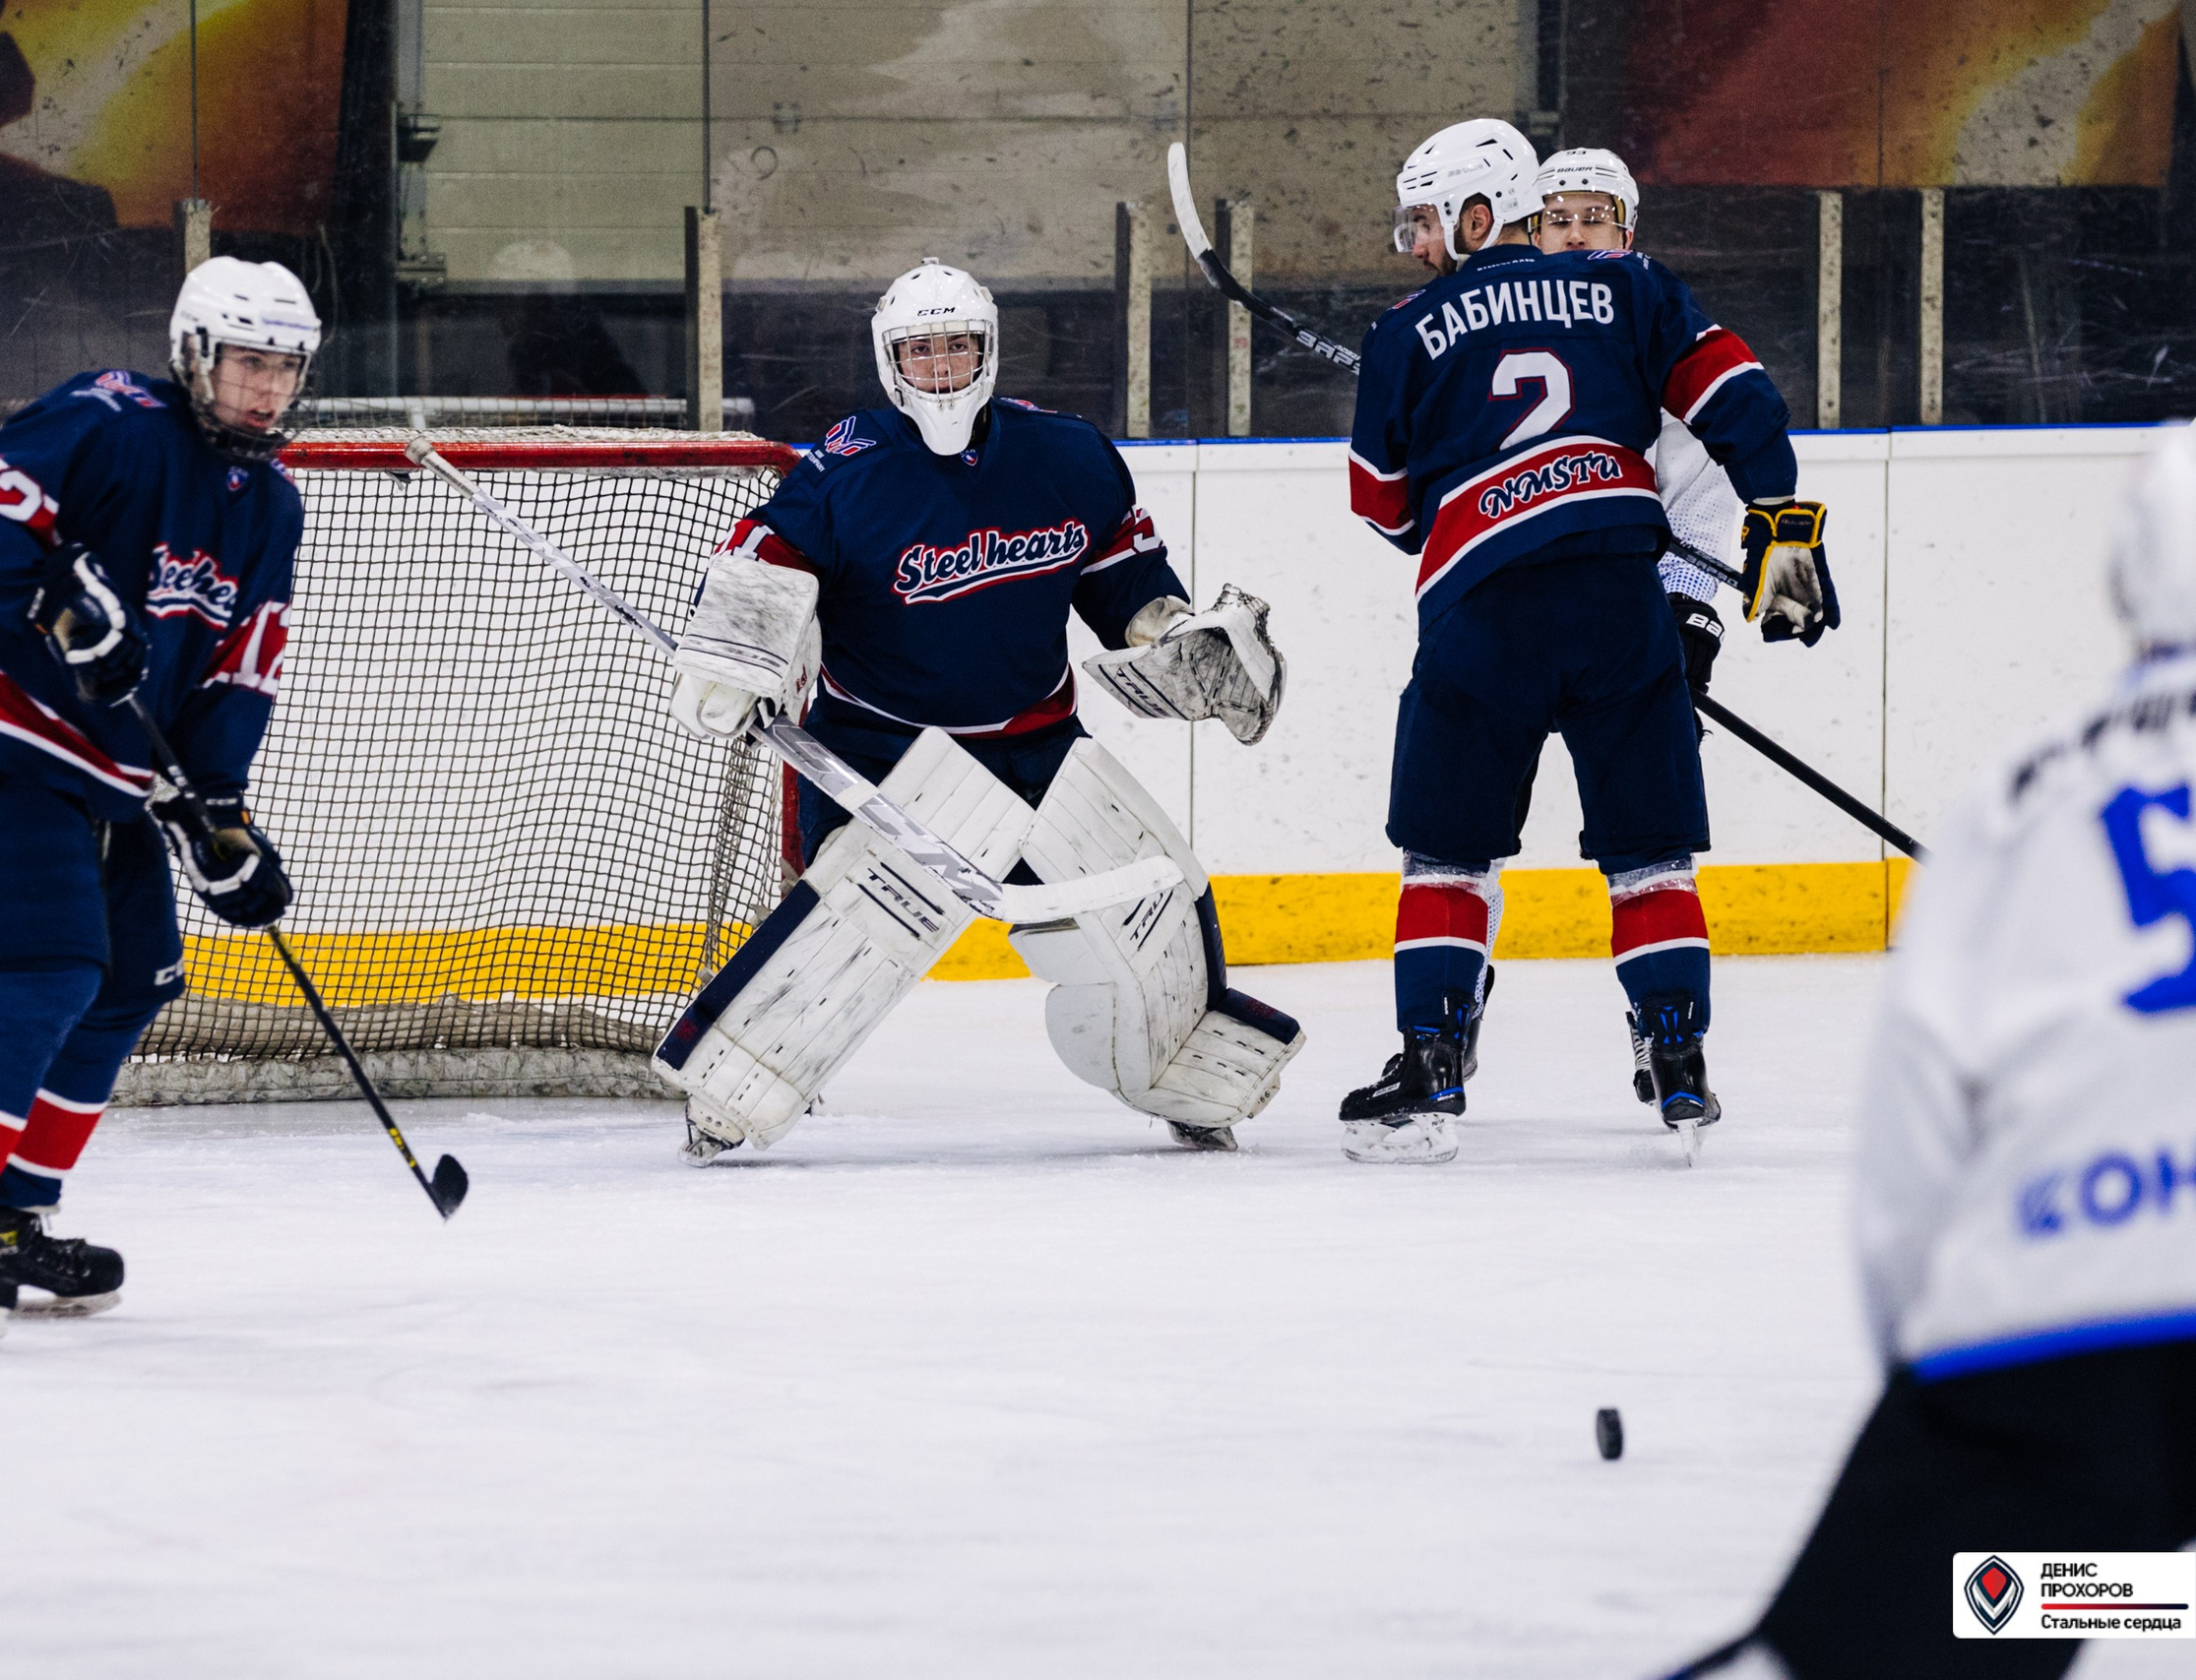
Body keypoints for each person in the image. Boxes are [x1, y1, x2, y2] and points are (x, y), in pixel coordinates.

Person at [1667, 423, 2196, 1678]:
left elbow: (1915, 1142)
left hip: (2054, 1335)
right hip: (2069, 1338)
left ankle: (2103, 1602)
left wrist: (1938, 1402)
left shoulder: (2021, 798)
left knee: (1961, 1614)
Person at [654, 259, 1303, 1161]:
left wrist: (1177, 632)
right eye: (921, 352)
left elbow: (1125, 580)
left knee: (1157, 901)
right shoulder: (851, 464)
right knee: (847, 939)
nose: (942, 369)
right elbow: (769, 556)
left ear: (989, 351)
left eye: (958, 347)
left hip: (1039, 744)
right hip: (880, 750)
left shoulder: (1067, 453)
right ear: (891, 362)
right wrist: (739, 648)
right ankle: (731, 1092)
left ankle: (1180, 1066)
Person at [1341, 118, 1837, 1165]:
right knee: (1649, 854)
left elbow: (1381, 508)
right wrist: (1782, 528)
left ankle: (1431, 1057)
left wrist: (1461, 468)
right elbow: (1737, 400)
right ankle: (1678, 1052)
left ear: (1479, 215)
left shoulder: (1403, 328)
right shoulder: (1633, 290)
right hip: (1621, 608)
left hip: (1480, 620)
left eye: (1426, 223)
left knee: (1446, 852)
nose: (1418, 244)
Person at [0, 256, 316, 1348]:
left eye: (287, 370)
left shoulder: (272, 508)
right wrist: (56, 596)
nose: (266, 389)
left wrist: (217, 812)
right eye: (249, 363)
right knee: (44, 967)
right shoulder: (108, 419)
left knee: (131, 981)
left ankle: (11, 1217)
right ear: (195, 357)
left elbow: (233, 673)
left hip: (98, 772)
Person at [1535, 147, 1758, 1113]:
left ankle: (1668, 1033)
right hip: (1512, 617)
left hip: (1627, 622)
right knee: (1449, 843)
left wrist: (1686, 627)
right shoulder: (1480, 342)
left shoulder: (1666, 341)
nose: (1576, 234)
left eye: (1595, 218)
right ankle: (1434, 1050)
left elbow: (1704, 511)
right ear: (1528, 232)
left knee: (1645, 841)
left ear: (1628, 235)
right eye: (1558, 219)